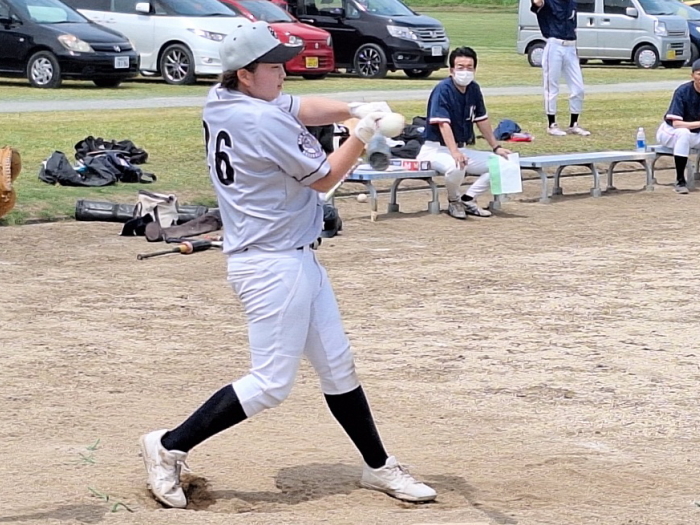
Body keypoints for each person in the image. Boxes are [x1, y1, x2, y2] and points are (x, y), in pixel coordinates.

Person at [138, 20, 437, 509]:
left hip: (293, 258)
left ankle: (379, 465)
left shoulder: (223, 99)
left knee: (338, 365)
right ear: (245, 73)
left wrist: (355, 107)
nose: (284, 73)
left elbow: (300, 106)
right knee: (271, 383)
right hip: (271, 265)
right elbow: (324, 178)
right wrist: (362, 133)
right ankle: (169, 445)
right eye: (273, 66)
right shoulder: (261, 120)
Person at [417, 46, 512, 220]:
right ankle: (454, 201)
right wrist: (454, 152)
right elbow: (443, 124)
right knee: (457, 166)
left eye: (469, 67)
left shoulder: (473, 89)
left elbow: (481, 120)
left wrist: (496, 147)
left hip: (462, 147)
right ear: (451, 69)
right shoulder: (443, 89)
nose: (465, 71)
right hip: (435, 149)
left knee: (503, 163)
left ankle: (468, 199)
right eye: (460, 67)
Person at [530, 0, 591, 137]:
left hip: (571, 46)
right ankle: (552, 124)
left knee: (578, 87)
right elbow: (537, 3)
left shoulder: (571, 2)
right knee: (552, 86)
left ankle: (574, 124)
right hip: (555, 45)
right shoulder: (549, 2)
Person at [656, 58, 700, 194]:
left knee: (686, 134)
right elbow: (676, 124)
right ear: (692, 75)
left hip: (694, 134)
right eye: (699, 74)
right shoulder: (683, 91)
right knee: (683, 133)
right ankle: (680, 180)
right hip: (670, 132)